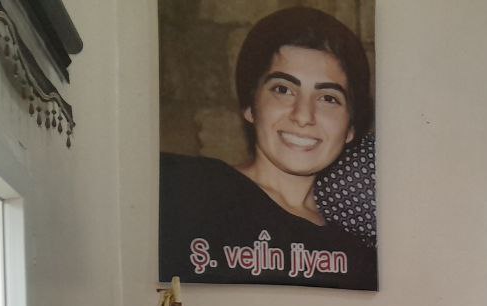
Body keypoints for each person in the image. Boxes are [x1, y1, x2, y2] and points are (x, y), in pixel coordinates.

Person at [159, 6, 377, 290]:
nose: (303, 116)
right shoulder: (178, 187)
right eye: (283, 90)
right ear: (251, 106)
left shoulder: (360, 260)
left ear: (350, 128)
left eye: (328, 98)